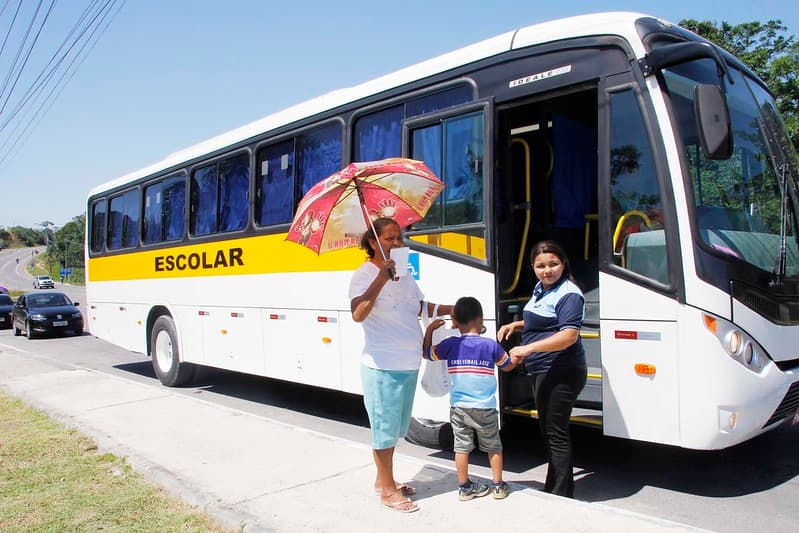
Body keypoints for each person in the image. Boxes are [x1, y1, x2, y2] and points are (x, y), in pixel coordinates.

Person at [349, 217, 452, 514]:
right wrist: (382, 277)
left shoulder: (405, 275)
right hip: (383, 365)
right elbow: (358, 313)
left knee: (395, 429)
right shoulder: (363, 274)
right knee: (383, 430)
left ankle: (385, 482)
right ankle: (387, 491)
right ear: (373, 241)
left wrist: (453, 309)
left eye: (400, 238)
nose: (397, 243)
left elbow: (420, 307)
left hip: (407, 364)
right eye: (390, 238)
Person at [496, 240, 587, 498]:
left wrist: (528, 349)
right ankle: (555, 486)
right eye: (541, 266)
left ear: (563, 263)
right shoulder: (542, 288)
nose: (547, 270)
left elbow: (568, 335)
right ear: (534, 268)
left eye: (553, 264)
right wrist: (519, 326)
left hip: (561, 370)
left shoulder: (569, 293)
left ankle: (561, 493)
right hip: (544, 370)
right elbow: (544, 322)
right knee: (548, 432)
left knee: (555, 433)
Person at [423, 296, 516, 501]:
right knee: (493, 446)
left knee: (461, 448)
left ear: (455, 321)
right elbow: (507, 365)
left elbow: (427, 354)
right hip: (485, 407)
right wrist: (519, 356)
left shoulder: (450, 344)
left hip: (459, 407)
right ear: (481, 319)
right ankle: (498, 486)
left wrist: (429, 330)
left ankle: (464, 487)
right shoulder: (490, 346)